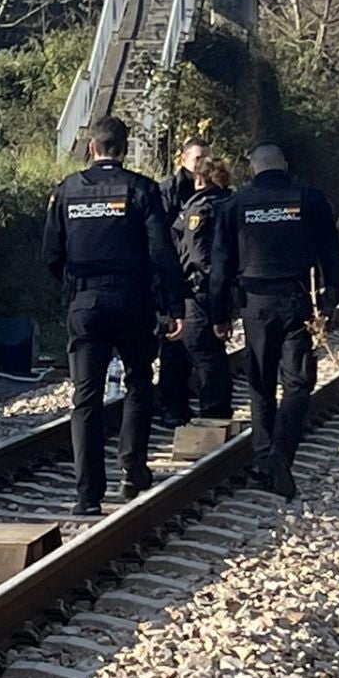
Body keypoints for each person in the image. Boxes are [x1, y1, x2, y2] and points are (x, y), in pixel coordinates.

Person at [43, 116, 181, 515]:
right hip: (133, 301)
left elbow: (51, 255)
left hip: (85, 303)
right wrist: (172, 305)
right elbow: (161, 252)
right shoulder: (142, 189)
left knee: (85, 397)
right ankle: (132, 469)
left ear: (91, 148)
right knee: (139, 381)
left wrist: (75, 289)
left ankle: (87, 496)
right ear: (123, 148)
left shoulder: (67, 189)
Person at [207, 143, 339, 501]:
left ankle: (264, 456)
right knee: (298, 383)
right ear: (283, 164)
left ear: (252, 168)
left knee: (260, 383)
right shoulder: (310, 197)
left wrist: (219, 313)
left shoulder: (234, 204)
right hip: (297, 300)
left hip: (254, 304)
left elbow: (220, 263)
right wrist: (330, 298)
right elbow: (332, 251)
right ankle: (280, 456)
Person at [174, 156, 234, 422]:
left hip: (198, 292)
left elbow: (197, 256)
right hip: (220, 290)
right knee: (213, 354)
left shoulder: (200, 208)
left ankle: (212, 414)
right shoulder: (230, 202)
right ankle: (212, 411)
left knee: (203, 352)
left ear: (199, 178)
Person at [156, 137, 210, 428]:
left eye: (206, 159)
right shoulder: (167, 192)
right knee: (173, 346)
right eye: (197, 158)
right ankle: (171, 406)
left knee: (202, 347)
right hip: (172, 278)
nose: (202, 164)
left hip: (201, 281)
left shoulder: (212, 193)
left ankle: (198, 404)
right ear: (183, 159)